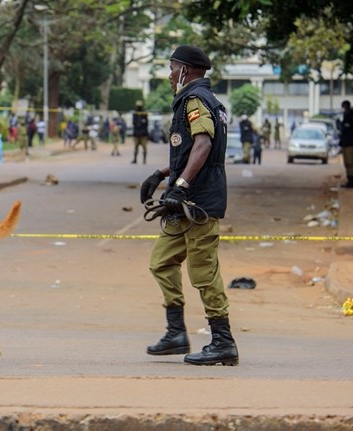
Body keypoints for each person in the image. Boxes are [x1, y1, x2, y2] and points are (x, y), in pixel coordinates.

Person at [140, 45, 238, 366]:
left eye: (172, 68)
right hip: (182, 204)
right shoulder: (200, 101)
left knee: (203, 272)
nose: (169, 75)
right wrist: (160, 175)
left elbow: (203, 145)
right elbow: (188, 153)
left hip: (199, 203)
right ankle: (176, 332)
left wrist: (180, 186)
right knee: (162, 261)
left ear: (185, 70)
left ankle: (223, 342)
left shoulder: (196, 101)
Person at [339, 100, 353, 188]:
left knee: (352, 163)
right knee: (347, 163)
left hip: (352, 143)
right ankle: (349, 180)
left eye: (345, 107)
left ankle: (352, 181)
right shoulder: (344, 116)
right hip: (345, 143)